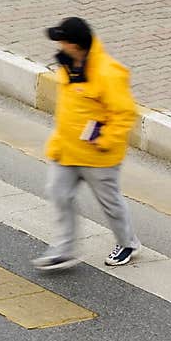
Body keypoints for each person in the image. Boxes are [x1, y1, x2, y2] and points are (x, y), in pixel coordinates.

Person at [31, 16, 142, 271]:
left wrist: (104, 140)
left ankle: (128, 243)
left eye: (63, 42)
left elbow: (125, 113)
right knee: (58, 194)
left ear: (76, 45)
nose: (59, 47)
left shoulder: (108, 73)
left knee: (110, 204)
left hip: (97, 156)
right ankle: (63, 249)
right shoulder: (67, 67)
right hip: (66, 150)